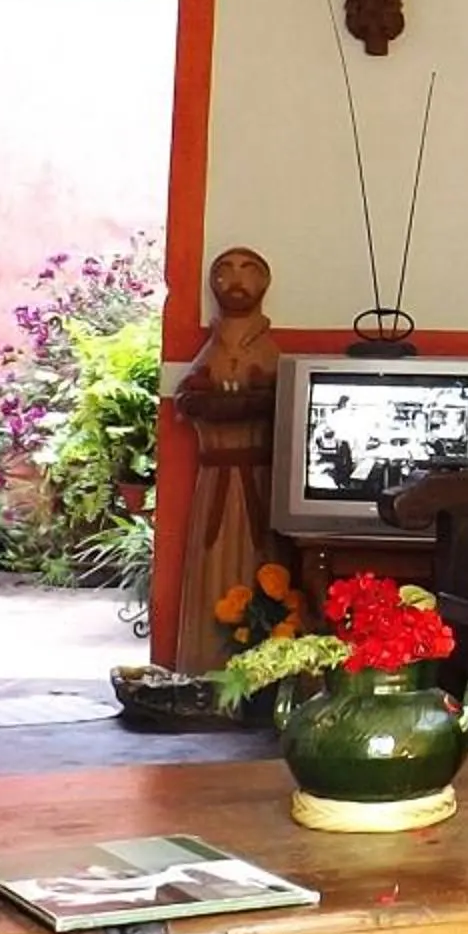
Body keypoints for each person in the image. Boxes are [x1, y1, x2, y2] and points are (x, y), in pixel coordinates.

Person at [170, 247, 281, 671]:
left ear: (263, 283)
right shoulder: (212, 345)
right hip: (215, 479)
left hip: (259, 481)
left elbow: (280, 399)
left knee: (262, 566)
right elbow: (188, 397)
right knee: (213, 565)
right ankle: (205, 666)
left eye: (248, 270)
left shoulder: (266, 346)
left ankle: (260, 668)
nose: (236, 281)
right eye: (225, 272)